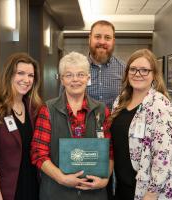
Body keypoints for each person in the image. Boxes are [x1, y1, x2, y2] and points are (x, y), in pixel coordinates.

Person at [31, 51, 114, 200]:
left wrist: (105, 179)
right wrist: (61, 178)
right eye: (69, 75)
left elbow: (110, 152)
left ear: (88, 78)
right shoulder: (48, 110)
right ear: (62, 80)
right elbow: (38, 153)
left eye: (81, 74)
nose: (75, 80)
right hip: (56, 193)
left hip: (94, 194)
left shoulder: (102, 110)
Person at [110, 49, 172, 200]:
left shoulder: (161, 106)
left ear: (154, 74)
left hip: (147, 192)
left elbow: (165, 155)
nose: (137, 74)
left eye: (144, 70)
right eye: (133, 69)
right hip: (121, 185)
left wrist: (151, 193)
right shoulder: (120, 101)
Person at [0, 53, 42, 200]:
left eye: (31, 75)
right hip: (2, 192)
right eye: (20, 73)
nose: (26, 80)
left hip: (31, 187)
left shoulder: (34, 108)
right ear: (9, 75)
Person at [87, 20, 125, 109]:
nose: (102, 42)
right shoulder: (75, 69)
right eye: (97, 37)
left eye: (107, 38)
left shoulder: (125, 69)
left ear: (113, 41)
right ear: (89, 39)